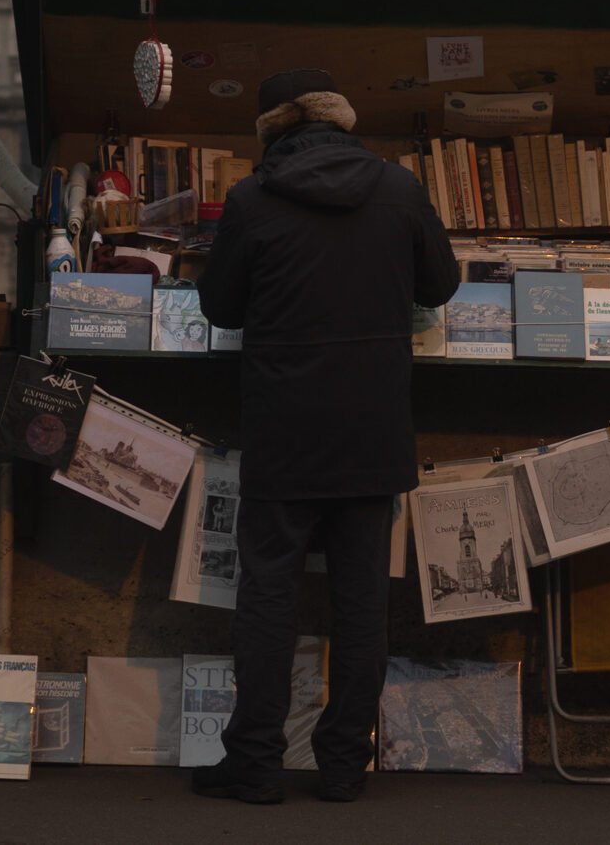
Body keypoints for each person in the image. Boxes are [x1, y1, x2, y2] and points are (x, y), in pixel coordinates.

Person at [193, 67, 459, 805]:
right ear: (339, 121)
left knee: (268, 597)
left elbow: (220, 307)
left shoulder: (250, 199)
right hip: (372, 421)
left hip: (284, 423)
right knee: (360, 602)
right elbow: (438, 285)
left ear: (270, 128)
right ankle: (343, 764)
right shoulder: (398, 188)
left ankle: (253, 763)